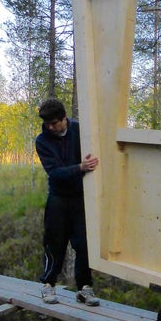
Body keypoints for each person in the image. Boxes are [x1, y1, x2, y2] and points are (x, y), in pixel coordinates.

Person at [35, 98, 100, 306]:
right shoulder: (42, 140)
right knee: (54, 243)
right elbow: (54, 173)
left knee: (84, 244)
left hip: (81, 198)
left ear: (64, 118)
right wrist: (80, 167)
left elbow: (94, 158)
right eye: (47, 124)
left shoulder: (81, 132)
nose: (50, 127)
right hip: (58, 199)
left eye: (54, 123)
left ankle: (84, 289)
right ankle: (48, 285)